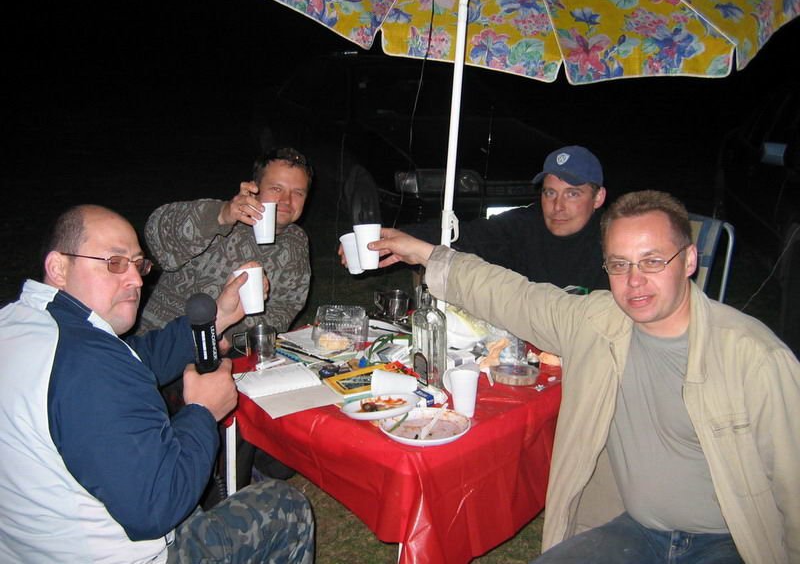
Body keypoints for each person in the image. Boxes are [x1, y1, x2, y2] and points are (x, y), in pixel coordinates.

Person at [369, 190, 799, 563]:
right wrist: (425, 253)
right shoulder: (597, 321)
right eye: (619, 264)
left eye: (652, 261)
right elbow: (513, 295)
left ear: (688, 260)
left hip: (730, 542)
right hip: (636, 530)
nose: (635, 281)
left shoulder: (754, 358)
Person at [0, 205, 314, 563]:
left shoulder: (21, 324)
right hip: (119, 553)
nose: (136, 280)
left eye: (138, 265)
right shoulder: (88, 365)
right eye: (115, 263)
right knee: (284, 507)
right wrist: (202, 412)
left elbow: (136, 358)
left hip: (29, 546)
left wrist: (219, 317)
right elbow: (158, 507)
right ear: (58, 267)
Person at [378, 145, 610, 293]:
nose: (557, 206)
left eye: (572, 194)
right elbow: (465, 235)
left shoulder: (613, 239)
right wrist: (398, 238)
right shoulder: (525, 224)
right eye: (550, 193)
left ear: (598, 197)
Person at [138, 147, 312, 339]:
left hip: (228, 351)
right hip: (158, 342)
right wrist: (221, 215)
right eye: (276, 189)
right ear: (254, 189)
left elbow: (286, 305)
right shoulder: (220, 219)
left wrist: (231, 338)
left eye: (298, 193)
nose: (286, 200)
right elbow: (156, 234)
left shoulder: (296, 241)